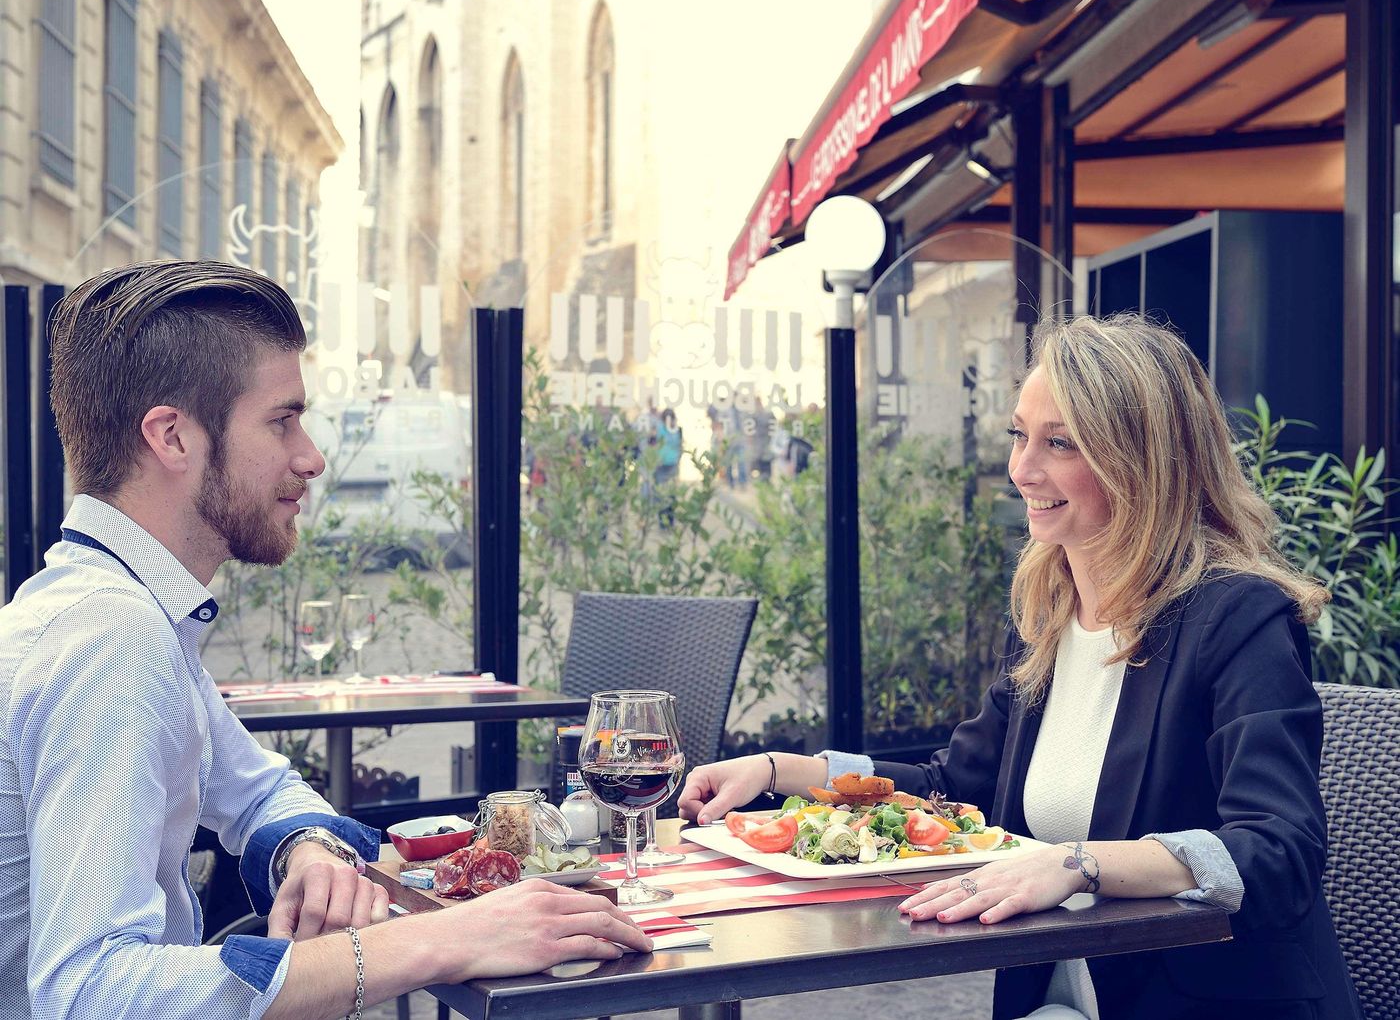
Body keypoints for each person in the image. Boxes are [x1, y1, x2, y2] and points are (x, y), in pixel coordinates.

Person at [0, 260, 650, 1020]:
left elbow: (261, 788)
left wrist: (307, 849)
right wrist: (439, 942)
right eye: (283, 420)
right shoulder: (111, 638)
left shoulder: (119, 609)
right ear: (172, 436)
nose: (310, 456)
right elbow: (89, 994)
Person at [679, 314, 1360, 1018]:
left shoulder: (1238, 618)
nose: (1022, 469)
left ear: (1142, 462)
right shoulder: (1048, 615)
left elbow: (1279, 849)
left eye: (1060, 443)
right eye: (1020, 435)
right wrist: (777, 770)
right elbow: (955, 795)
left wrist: (1080, 861)